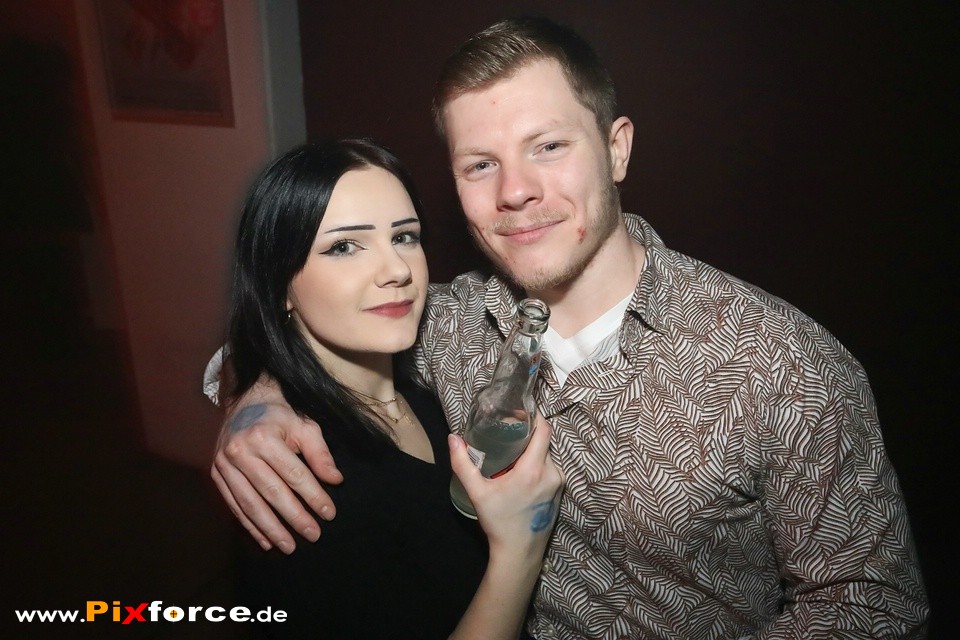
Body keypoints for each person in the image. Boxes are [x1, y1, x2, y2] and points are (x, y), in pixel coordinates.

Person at [208, 17, 929, 639]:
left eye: (548, 146)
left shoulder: (780, 364)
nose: (515, 190)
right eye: (480, 164)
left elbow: (872, 606)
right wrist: (254, 398)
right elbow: (305, 331)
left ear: (617, 149)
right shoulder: (442, 323)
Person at [220, 137, 562, 639]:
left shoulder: (427, 385)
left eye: (404, 237)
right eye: (344, 246)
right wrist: (521, 548)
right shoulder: (301, 478)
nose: (398, 270)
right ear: (279, 285)